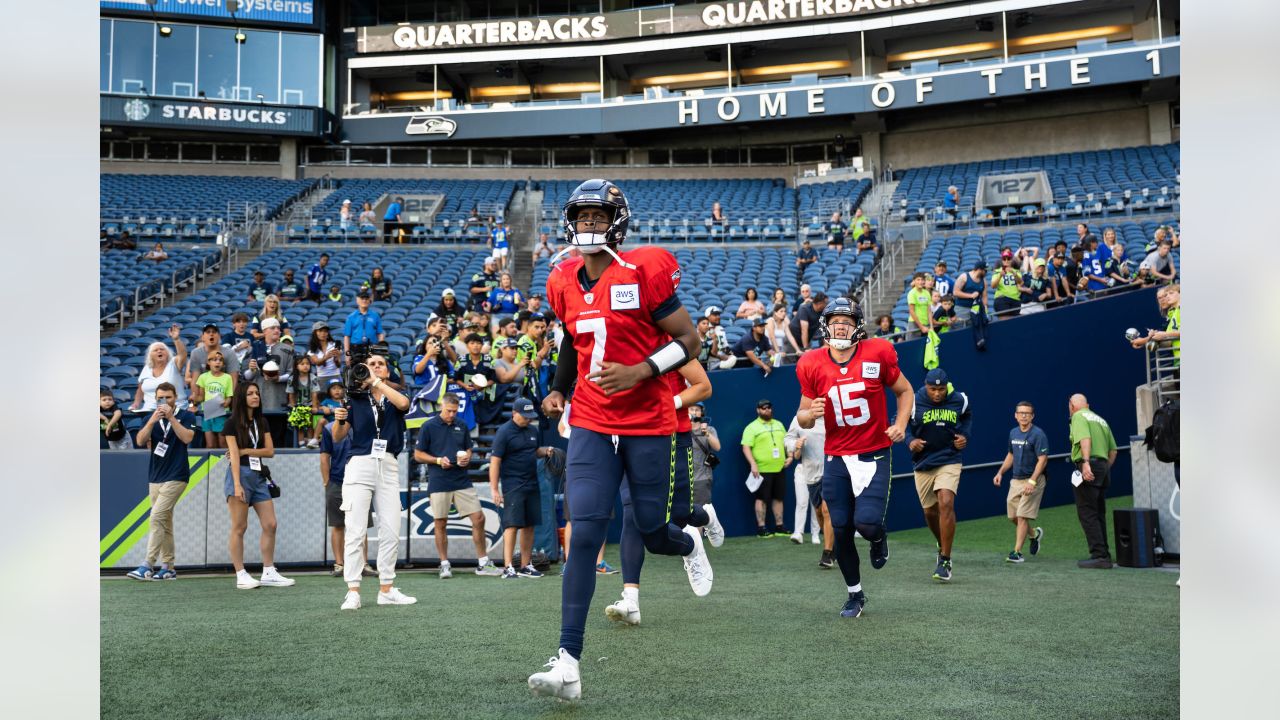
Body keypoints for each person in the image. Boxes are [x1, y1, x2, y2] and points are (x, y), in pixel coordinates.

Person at [528, 179, 709, 701]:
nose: (588, 226)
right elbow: (571, 344)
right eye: (581, 217)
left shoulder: (643, 269)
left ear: (617, 222)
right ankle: (568, 660)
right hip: (589, 418)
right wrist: (560, 389)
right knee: (583, 531)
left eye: (597, 217)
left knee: (652, 530)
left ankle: (687, 539)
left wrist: (640, 371)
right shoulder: (562, 278)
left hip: (648, 420)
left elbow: (690, 340)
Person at [795, 298, 913, 618]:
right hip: (836, 456)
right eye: (835, 321)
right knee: (842, 527)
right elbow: (802, 417)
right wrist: (810, 414)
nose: (841, 326)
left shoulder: (878, 352)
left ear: (858, 325)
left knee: (867, 522)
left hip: (874, 452)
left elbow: (904, 391)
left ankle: (878, 536)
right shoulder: (811, 362)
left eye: (847, 321)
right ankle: (855, 594)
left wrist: (900, 424)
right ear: (826, 325)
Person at [606, 359, 723, 627]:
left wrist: (666, 404)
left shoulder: (669, 339)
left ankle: (701, 523)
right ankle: (630, 600)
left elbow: (703, 387)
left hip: (672, 432)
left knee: (681, 514)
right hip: (628, 434)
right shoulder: (612, 339)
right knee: (631, 511)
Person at [331, 353, 417, 608]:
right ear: (363, 370)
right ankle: (353, 590)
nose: (376, 367)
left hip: (388, 464)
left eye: (381, 364)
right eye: (371, 364)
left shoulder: (393, 396)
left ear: (387, 371)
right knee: (356, 530)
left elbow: (404, 404)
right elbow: (338, 436)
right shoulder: (355, 399)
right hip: (360, 463)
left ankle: (386, 588)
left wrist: (377, 383)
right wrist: (338, 420)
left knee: (391, 529)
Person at [413, 393, 501, 579]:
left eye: (455, 411)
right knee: (440, 522)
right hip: (438, 480)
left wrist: (467, 456)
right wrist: (437, 460)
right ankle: (444, 564)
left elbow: (468, 447)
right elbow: (418, 455)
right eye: (449, 411)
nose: (452, 414)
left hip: (461, 479)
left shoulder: (461, 424)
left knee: (478, 518)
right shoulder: (428, 426)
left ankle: (483, 563)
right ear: (441, 406)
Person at [222, 382, 295, 590]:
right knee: (239, 527)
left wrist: (246, 451)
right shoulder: (232, 423)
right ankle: (240, 574)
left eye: (257, 393)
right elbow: (234, 456)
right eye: (250, 393)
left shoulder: (262, 421)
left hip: (258, 476)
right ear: (241, 397)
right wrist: (237, 484)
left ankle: (269, 571)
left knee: (271, 524)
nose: (255, 396)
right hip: (241, 476)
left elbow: (270, 451)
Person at [125, 383, 198, 582]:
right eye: (160, 398)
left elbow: (187, 438)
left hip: (177, 475)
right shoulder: (150, 417)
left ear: (176, 398)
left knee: (156, 517)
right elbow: (140, 441)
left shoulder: (187, 416)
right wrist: (151, 423)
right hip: (155, 476)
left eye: (168, 397)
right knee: (164, 522)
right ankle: (168, 567)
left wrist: (172, 418)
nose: (164, 402)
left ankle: (147, 564)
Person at [905, 368, 972, 582]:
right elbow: (900, 420)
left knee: (946, 501)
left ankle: (945, 559)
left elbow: (967, 416)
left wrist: (964, 435)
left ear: (946, 387)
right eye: (932, 389)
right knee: (930, 513)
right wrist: (910, 441)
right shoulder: (914, 400)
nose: (937, 394)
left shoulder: (959, 399)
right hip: (923, 462)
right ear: (926, 386)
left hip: (949, 459)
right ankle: (941, 542)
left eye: (941, 389)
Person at [490, 397, 551, 579]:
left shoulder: (532, 430)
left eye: (530, 416)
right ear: (514, 413)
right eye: (524, 416)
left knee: (530, 525)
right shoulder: (504, 432)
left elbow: (535, 450)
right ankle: (508, 566)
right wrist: (494, 489)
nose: (528, 419)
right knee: (512, 525)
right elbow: (495, 462)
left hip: (532, 483)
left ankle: (526, 565)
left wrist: (547, 451)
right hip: (513, 485)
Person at [319, 416, 375, 579]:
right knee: (337, 525)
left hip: (361, 481)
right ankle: (339, 564)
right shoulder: (330, 428)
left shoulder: (364, 426)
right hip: (336, 482)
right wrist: (326, 482)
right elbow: (324, 457)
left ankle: (363, 564)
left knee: (361, 525)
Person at [993, 401, 1049, 563]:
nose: (1024, 415)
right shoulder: (1013, 433)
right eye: (1021, 413)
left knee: (1022, 515)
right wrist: (1000, 472)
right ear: (1015, 416)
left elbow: (1042, 460)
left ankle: (1017, 552)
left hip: (1034, 480)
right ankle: (1034, 535)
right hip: (1016, 480)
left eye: (1027, 413)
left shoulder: (1038, 434)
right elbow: (1010, 455)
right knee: (1013, 517)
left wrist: (1032, 481)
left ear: (1032, 416)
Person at [1068, 393, 1119, 569]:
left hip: (1088, 465)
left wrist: (1087, 463)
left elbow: (1084, 439)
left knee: (1087, 512)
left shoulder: (1078, 416)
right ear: (1087, 405)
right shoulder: (1100, 419)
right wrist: (1103, 468)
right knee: (1098, 512)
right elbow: (1114, 450)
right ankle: (1104, 553)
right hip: (1103, 466)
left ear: (1072, 406)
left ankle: (1099, 555)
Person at [785, 411, 834, 561]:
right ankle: (832, 543)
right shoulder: (799, 419)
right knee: (819, 511)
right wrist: (795, 444)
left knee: (827, 510)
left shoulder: (832, 416)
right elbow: (788, 439)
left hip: (832, 468)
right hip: (810, 472)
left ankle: (827, 553)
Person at [742, 398, 790, 537]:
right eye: (763, 408)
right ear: (758, 410)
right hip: (762, 469)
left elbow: (787, 441)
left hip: (779, 468)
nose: (767, 410)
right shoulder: (752, 427)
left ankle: (779, 527)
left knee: (778, 498)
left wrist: (790, 456)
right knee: (761, 498)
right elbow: (746, 447)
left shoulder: (779, 424)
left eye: (769, 407)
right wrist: (753, 464)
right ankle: (761, 528)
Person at [131, 327, 189, 411]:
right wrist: (136, 404)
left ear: (168, 353)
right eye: (156, 350)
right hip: (150, 410)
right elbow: (140, 390)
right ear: (150, 355)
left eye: (162, 349)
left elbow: (182, 355)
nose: (159, 351)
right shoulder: (147, 368)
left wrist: (176, 339)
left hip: (175, 408)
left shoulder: (174, 363)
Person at [192, 349, 234, 449]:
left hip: (221, 413)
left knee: (222, 443)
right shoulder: (203, 377)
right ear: (208, 362)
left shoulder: (227, 377)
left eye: (220, 360)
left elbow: (229, 397)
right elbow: (201, 397)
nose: (218, 362)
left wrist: (226, 403)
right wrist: (194, 399)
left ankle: (225, 464)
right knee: (210, 445)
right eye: (214, 359)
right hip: (207, 413)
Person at [1130, 284, 1181, 364]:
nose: (1163, 299)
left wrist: (1144, 341)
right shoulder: (1171, 313)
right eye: (1159, 298)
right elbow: (1167, 339)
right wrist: (1150, 339)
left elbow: (1167, 335)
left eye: (1167, 294)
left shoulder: (1179, 309)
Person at [688, 403, 720, 506]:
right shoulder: (681, 430)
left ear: (702, 413)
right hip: (683, 478)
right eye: (691, 409)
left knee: (702, 511)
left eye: (697, 410)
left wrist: (706, 433)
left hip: (701, 478)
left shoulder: (710, 430)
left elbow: (717, 447)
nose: (694, 412)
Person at [342, 289, 385, 356]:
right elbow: (347, 336)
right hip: (355, 348)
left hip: (372, 347)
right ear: (357, 300)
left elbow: (380, 334)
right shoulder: (351, 317)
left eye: (366, 298)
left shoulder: (375, 316)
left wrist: (381, 351)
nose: (364, 300)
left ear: (369, 300)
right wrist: (347, 354)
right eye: (362, 298)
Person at [991, 249, 1025, 316]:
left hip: (1015, 299)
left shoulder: (1016, 271)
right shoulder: (997, 271)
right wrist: (1000, 275)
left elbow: (1021, 282)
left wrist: (1013, 273)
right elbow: (993, 286)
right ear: (1002, 260)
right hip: (1002, 298)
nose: (1006, 261)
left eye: (1008, 258)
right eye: (1004, 259)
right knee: (1005, 322)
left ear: (1011, 260)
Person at [907, 273, 932, 338]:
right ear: (914, 281)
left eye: (922, 280)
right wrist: (921, 327)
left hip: (926, 324)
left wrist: (931, 327)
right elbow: (912, 311)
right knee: (913, 346)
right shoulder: (912, 293)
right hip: (914, 324)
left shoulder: (927, 293)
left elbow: (929, 311)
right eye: (918, 280)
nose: (920, 282)